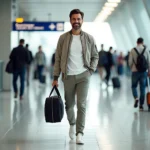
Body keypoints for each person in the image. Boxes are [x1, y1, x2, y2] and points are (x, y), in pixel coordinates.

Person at [52, 9, 98, 144]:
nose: (76, 21)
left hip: (84, 75)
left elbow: (95, 56)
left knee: (82, 105)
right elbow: (58, 58)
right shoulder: (63, 38)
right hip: (68, 76)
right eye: (74, 19)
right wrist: (55, 77)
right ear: (70, 20)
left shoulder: (89, 38)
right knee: (69, 105)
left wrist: (90, 70)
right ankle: (72, 124)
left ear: (82, 20)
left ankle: (79, 133)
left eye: (78, 19)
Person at [129, 37, 150, 111]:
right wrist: (149, 71)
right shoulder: (146, 50)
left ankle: (136, 97)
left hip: (135, 71)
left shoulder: (132, 50)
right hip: (144, 72)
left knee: (134, 86)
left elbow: (130, 62)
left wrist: (131, 68)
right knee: (142, 88)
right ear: (142, 42)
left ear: (136, 42)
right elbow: (149, 62)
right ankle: (141, 106)